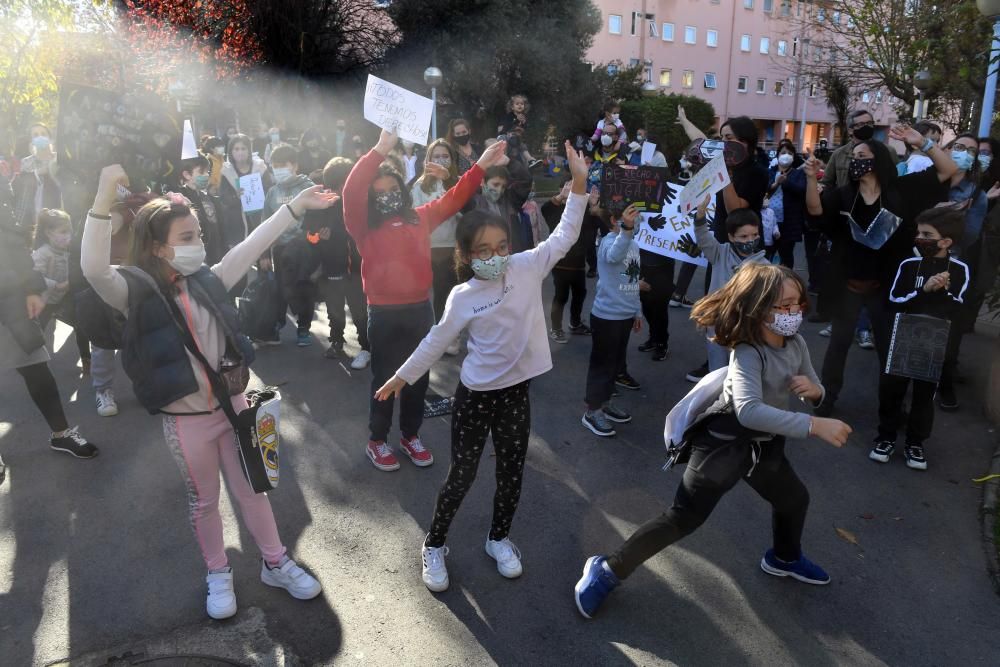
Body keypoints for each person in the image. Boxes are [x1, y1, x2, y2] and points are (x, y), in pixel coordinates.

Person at [81, 164, 335, 619]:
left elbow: (253, 242)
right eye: (185, 237)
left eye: (198, 233)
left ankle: (275, 562)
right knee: (205, 501)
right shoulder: (133, 293)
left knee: (253, 492)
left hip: (235, 411)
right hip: (188, 423)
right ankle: (218, 572)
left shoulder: (211, 278)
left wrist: (296, 206)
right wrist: (101, 203)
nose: (197, 243)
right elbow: (94, 269)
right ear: (158, 247)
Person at [574, 263, 852, 619]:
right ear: (756, 308)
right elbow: (748, 411)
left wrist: (816, 392)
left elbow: (815, 388)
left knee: (794, 499)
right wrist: (813, 425)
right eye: (782, 306)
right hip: (725, 444)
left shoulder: (796, 343)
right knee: (682, 519)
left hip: (766, 444)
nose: (791, 313)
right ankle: (607, 570)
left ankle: (783, 558)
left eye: (796, 304)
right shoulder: (748, 351)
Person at [374, 141, 590, 592]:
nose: (494, 255)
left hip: (516, 394)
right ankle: (434, 544)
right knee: (463, 474)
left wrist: (580, 182)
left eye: (500, 246)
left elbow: (565, 234)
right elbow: (436, 339)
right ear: (467, 256)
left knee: (512, 470)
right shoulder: (462, 297)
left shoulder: (527, 266)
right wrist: (403, 375)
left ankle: (499, 538)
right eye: (483, 250)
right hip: (475, 396)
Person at [342, 128, 509, 472]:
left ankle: (410, 435)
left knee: (417, 377)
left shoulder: (419, 217)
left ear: (402, 192)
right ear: (371, 200)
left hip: (420, 310)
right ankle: (377, 440)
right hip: (384, 312)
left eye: (392, 189)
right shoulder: (363, 225)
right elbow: (351, 191)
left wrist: (478, 165)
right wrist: (380, 149)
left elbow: (456, 197)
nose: (386, 195)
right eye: (379, 192)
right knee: (385, 378)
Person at [804, 123, 956, 417]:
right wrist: (812, 179)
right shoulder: (844, 194)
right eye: (854, 156)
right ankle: (826, 398)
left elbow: (947, 169)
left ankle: (892, 410)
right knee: (838, 347)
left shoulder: (902, 190)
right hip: (848, 285)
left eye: (863, 155)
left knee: (889, 350)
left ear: (879, 159)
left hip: (887, 286)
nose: (856, 160)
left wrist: (922, 142)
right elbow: (816, 212)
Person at [0, 173, 98, 477]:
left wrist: (31, 288)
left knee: (37, 369)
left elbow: (12, 240)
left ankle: (61, 434)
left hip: (9, 300)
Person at [875, 206, 969, 470]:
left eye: (927, 234)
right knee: (892, 390)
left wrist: (941, 292)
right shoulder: (909, 264)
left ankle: (915, 443)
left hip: (936, 341)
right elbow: (895, 299)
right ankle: (886, 437)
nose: (920, 238)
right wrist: (925, 291)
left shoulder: (959, 269)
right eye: (919, 232)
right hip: (904, 333)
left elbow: (958, 307)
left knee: (924, 395)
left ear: (946, 241)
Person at [581, 204, 643, 437]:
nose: (636, 222)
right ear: (615, 221)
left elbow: (633, 280)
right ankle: (592, 411)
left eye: (636, 218)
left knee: (615, 364)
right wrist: (626, 229)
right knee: (601, 366)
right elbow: (614, 254)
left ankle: (605, 403)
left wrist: (637, 311)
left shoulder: (634, 245)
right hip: (606, 317)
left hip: (625, 316)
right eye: (630, 218)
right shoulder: (608, 242)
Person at [688, 197, 769, 370]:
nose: (750, 240)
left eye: (754, 235)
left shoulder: (765, 267)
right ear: (731, 237)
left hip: (746, 331)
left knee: (742, 373)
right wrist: (700, 216)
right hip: (717, 326)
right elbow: (703, 238)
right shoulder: (719, 252)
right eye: (744, 236)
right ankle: (718, 396)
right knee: (717, 370)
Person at [306, 157, 371, 368]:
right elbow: (308, 235)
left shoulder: (360, 200)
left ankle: (367, 346)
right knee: (334, 308)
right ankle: (336, 341)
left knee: (360, 310)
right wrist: (318, 236)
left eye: (347, 181)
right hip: (330, 265)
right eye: (338, 183)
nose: (342, 188)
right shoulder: (321, 202)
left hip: (357, 266)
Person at [260, 145, 316, 346]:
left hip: (305, 248)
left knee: (303, 289)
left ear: (295, 165)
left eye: (283, 165)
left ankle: (304, 328)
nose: (278, 169)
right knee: (281, 289)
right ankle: (276, 325)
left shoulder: (308, 187)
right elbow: (265, 223)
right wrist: (264, 253)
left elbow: (317, 218)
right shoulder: (272, 192)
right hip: (281, 250)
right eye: (275, 165)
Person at [410, 139, 461, 350]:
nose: (441, 160)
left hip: (452, 247)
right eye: (436, 156)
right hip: (428, 248)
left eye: (445, 156)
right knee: (422, 294)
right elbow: (415, 217)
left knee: (446, 294)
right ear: (428, 160)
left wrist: (451, 195)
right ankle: (426, 334)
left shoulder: (458, 182)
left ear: (451, 159)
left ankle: (448, 337)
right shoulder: (420, 185)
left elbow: (467, 210)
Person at [543, 181, 598, 343]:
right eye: (568, 189)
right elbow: (544, 209)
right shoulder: (557, 210)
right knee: (561, 297)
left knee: (580, 294)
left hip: (579, 264)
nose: (573, 193)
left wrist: (594, 205)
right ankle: (556, 328)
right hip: (560, 264)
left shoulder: (583, 211)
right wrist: (561, 197)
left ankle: (575, 323)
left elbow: (599, 222)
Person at [12, 124, 62, 230]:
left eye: (43, 134)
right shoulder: (26, 162)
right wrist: (37, 173)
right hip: (34, 215)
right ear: (32, 141)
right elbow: (24, 192)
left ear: (50, 138)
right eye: (35, 135)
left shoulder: (59, 160)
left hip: (58, 212)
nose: (40, 137)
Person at [766, 139, 806, 268]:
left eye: (790, 153)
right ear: (777, 156)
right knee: (767, 252)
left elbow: (801, 190)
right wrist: (776, 183)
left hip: (789, 221)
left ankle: (787, 281)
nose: (786, 155)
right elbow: (763, 190)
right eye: (783, 152)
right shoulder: (770, 172)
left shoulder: (798, 174)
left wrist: (786, 182)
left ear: (794, 157)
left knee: (786, 253)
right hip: (769, 220)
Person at [222, 133, 273, 233]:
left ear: (249, 150)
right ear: (230, 151)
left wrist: (259, 193)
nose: (240, 152)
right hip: (237, 223)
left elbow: (270, 190)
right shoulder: (226, 171)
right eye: (236, 149)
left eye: (243, 148)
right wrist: (235, 196)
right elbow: (223, 199)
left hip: (261, 218)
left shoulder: (260, 167)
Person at [497, 94, 541, 168]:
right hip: (506, 137)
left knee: (520, 141)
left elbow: (524, 130)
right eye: (517, 104)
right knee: (504, 137)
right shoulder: (509, 116)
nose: (520, 105)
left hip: (516, 139)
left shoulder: (523, 117)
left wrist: (524, 125)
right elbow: (504, 129)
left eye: (522, 104)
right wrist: (516, 121)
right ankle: (503, 157)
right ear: (512, 107)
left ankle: (530, 160)